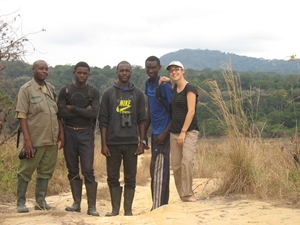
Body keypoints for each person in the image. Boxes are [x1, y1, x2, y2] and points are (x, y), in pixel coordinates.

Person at [99, 60, 147, 216]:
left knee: (130, 178)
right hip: (112, 142)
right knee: (112, 177)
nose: (124, 73)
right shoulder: (108, 93)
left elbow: (142, 119)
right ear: (117, 72)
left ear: (131, 72)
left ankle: (128, 211)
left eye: (127, 70)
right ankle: (114, 209)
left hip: (132, 142)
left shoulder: (138, 94)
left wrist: (142, 142)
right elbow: (103, 120)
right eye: (122, 70)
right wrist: (103, 144)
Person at [15, 60, 64, 213]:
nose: (44, 71)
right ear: (33, 70)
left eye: (46, 69)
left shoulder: (50, 88)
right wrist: (27, 140)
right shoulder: (26, 89)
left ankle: (40, 202)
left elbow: (55, 113)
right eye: (40, 68)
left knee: (46, 171)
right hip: (35, 139)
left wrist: (61, 132)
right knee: (25, 171)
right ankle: (20, 203)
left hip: (51, 139)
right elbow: (21, 115)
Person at [57, 61, 100, 216]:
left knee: (88, 169)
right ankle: (76, 203)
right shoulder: (65, 90)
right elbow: (61, 113)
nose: (82, 75)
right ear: (74, 72)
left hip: (86, 133)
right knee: (72, 169)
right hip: (69, 133)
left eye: (85, 73)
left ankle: (92, 206)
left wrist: (73, 108)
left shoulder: (93, 92)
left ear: (88, 74)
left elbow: (93, 114)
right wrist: (83, 111)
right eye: (79, 72)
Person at [166, 61, 199, 202]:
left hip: (189, 130)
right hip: (174, 131)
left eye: (177, 69)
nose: (174, 72)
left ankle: (188, 194)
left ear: (183, 71)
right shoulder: (174, 89)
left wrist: (183, 132)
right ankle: (182, 194)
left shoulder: (189, 88)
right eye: (171, 70)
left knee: (187, 161)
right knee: (177, 165)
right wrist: (166, 81)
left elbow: (191, 111)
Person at [144, 56, 172, 210]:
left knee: (160, 168)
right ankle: (160, 203)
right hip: (154, 133)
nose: (151, 70)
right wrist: (143, 135)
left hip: (163, 134)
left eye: (154, 67)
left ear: (159, 67)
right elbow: (150, 108)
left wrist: (164, 133)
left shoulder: (164, 85)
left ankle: (158, 206)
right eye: (148, 67)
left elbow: (176, 113)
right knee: (155, 168)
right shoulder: (148, 83)